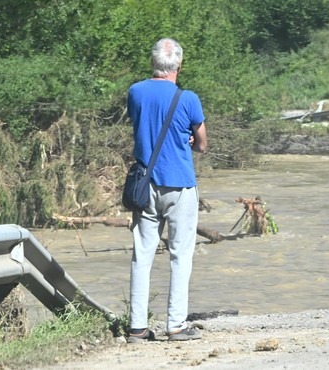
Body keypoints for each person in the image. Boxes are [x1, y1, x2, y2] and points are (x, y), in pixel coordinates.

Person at [125, 38, 207, 343]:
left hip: (145, 185)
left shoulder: (135, 92)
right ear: (179, 65)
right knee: (180, 254)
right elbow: (202, 144)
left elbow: (141, 125)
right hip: (181, 185)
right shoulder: (188, 98)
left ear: (153, 63)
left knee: (142, 255)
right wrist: (186, 140)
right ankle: (175, 325)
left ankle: (137, 327)